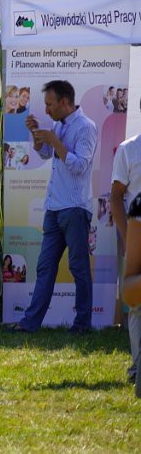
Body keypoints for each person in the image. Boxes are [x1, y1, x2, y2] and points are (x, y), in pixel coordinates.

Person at [12, 80, 97, 333]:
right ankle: (30, 324)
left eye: (50, 104)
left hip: (75, 208)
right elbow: (47, 154)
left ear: (64, 101)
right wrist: (38, 137)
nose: (47, 110)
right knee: (45, 267)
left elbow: (80, 165)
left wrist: (53, 140)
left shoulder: (86, 127)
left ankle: (81, 326)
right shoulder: (58, 125)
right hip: (54, 208)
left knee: (79, 268)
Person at [110, 114, 141, 383]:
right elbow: (116, 197)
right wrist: (127, 234)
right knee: (136, 302)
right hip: (137, 235)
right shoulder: (128, 149)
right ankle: (138, 367)